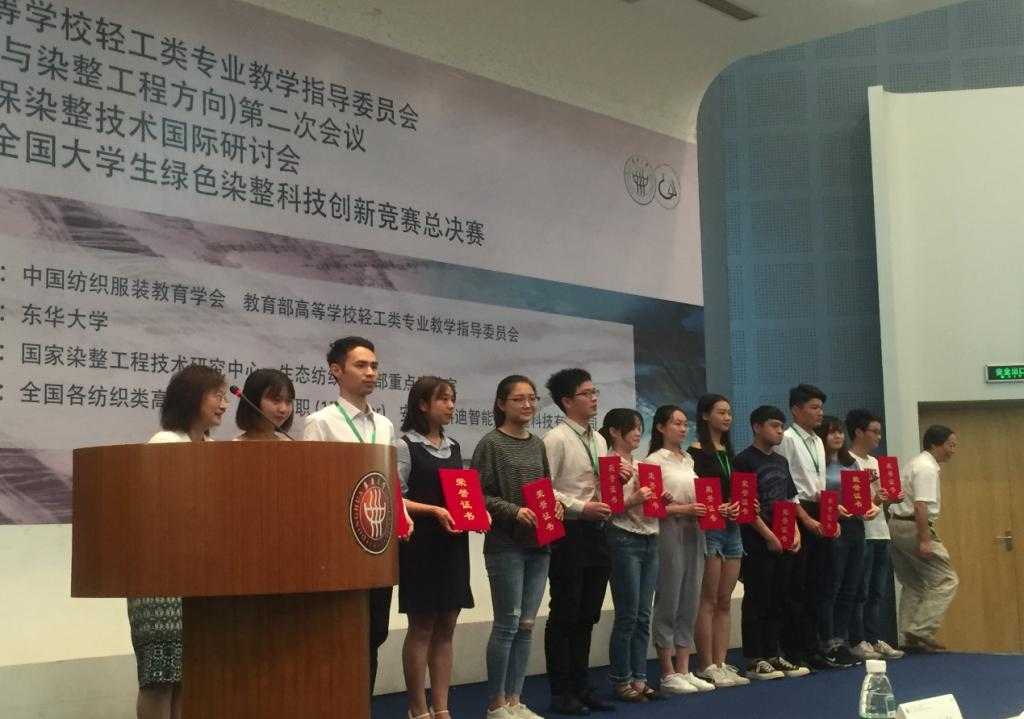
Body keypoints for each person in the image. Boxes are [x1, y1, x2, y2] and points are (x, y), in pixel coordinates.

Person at [303, 336, 410, 693]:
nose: (370, 372)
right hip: (339, 549)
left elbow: (388, 481)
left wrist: (402, 515)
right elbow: (311, 487)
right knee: (340, 634)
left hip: (377, 544)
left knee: (374, 634)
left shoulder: (385, 426)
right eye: (360, 365)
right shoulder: (320, 422)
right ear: (336, 370)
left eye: (374, 366)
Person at [129, 364, 228, 719]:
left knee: (189, 676)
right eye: (217, 396)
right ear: (192, 398)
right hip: (160, 576)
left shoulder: (213, 448)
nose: (224, 404)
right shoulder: (166, 443)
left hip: (198, 574)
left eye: (224, 396)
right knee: (160, 676)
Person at [474, 375, 557, 719]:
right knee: (506, 624)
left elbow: (545, 487)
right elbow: (477, 494)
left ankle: (515, 699)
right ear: (501, 403)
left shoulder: (537, 444)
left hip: (538, 544)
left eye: (532, 398)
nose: (527, 405)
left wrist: (554, 507)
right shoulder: (491, 443)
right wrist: (513, 510)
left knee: (526, 624)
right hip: (505, 544)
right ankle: (496, 703)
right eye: (518, 399)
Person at [397, 377, 473, 719]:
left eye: (453, 399)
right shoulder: (404, 446)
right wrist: (434, 510)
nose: (451, 405)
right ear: (423, 404)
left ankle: (441, 708)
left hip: (452, 544)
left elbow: (461, 495)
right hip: (421, 546)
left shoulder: (454, 447)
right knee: (422, 627)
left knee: (447, 627)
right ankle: (418, 709)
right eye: (443, 399)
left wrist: (477, 512)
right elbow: (395, 497)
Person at [542, 368, 615, 715]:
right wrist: (580, 506)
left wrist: (617, 480)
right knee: (565, 612)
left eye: (595, 391)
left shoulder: (598, 439)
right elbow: (545, 488)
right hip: (569, 531)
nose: (594, 397)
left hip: (597, 531)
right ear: (567, 401)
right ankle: (561, 691)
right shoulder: (555, 439)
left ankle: (582, 686)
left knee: (588, 614)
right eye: (587, 393)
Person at [733, 406, 807, 682]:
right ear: (757, 427)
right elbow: (745, 506)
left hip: (784, 538)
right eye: (774, 425)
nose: (779, 431)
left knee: (780, 597)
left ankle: (772, 652)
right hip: (757, 539)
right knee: (758, 598)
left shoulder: (781, 461)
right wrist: (768, 536)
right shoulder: (744, 460)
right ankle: (755, 659)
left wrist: (795, 532)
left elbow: (789, 500)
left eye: (781, 426)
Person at [645, 405, 715, 696]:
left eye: (685, 424)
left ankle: (684, 668)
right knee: (669, 598)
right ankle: (667, 671)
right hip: (669, 532)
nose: (683, 429)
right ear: (661, 427)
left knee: (690, 599)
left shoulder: (688, 459)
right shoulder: (653, 461)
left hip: (694, 532)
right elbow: (652, 507)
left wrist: (715, 509)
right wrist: (684, 509)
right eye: (676, 423)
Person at [599, 408, 666, 703]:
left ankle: (640, 679)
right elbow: (607, 507)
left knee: (642, 615)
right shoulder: (608, 464)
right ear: (614, 431)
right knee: (627, 616)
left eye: (640, 427)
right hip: (623, 538)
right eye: (632, 427)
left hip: (650, 537)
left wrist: (661, 500)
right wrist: (634, 499)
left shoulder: (642, 465)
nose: (638, 432)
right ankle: (621, 680)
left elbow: (652, 507)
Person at [688, 394, 748, 688]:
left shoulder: (729, 453)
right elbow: (695, 494)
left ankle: (722, 664)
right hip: (710, 527)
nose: (727, 418)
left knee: (725, 599)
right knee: (708, 599)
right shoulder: (694, 453)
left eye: (729, 413)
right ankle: (706, 664)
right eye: (721, 412)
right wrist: (718, 508)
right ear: (704, 416)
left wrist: (746, 505)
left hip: (733, 528)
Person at [888, 425, 959, 653]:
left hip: (895, 526)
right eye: (950, 445)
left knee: (913, 584)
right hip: (913, 528)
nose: (953, 450)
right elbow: (920, 506)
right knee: (946, 580)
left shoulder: (914, 463)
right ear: (934, 444)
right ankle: (921, 629)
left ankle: (907, 638)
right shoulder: (927, 468)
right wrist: (925, 540)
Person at [815, 415, 877, 668]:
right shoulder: (819, 464)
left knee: (851, 588)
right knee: (832, 586)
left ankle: (842, 641)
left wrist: (870, 507)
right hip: (832, 526)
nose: (838, 436)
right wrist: (834, 510)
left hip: (856, 527)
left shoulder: (850, 463)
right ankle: (827, 641)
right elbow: (815, 495)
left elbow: (861, 497)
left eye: (840, 432)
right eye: (832, 432)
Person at [774, 383, 828, 669]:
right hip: (796, 509)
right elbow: (785, 483)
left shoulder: (818, 441)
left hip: (819, 508)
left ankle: (812, 645)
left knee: (818, 582)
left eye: (821, 408)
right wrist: (803, 517)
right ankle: (793, 649)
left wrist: (830, 515)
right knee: (796, 583)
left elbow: (820, 483)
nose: (820, 413)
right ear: (796, 410)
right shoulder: (788, 438)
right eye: (814, 407)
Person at [845, 409, 904, 661]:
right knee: (860, 590)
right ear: (859, 432)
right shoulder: (848, 462)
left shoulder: (878, 463)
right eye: (875, 431)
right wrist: (876, 499)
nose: (879, 436)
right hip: (862, 533)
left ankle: (873, 638)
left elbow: (884, 499)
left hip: (881, 531)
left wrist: (893, 497)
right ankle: (857, 639)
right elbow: (854, 505)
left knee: (876, 592)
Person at [234, 368, 295, 441]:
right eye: (276, 400)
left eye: (289, 401)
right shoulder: (233, 446)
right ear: (253, 400)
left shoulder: (290, 445)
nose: (283, 409)